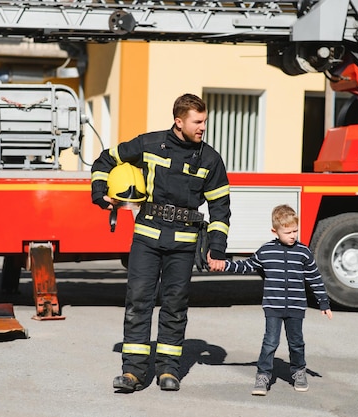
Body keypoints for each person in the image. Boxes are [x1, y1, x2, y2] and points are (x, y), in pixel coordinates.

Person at [91, 93, 231, 392]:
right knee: (138, 303)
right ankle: (133, 372)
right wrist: (99, 190)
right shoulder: (150, 144)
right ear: (179, 122)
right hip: (146, 239)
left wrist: (216, 247)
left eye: (204, 121)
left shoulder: (210, 158)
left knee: (175, 306)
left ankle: (169, 370)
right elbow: (106, 158)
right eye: (198, 121)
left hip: (184, 243)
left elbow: (220, 206)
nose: (203, 127)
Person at [209, 204, 332, 395]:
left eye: (295, 231)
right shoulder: (266, 251)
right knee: (270, 342)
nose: (293, 235)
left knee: (296, 342)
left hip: (296, 307)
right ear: (275, 231)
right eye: (288, 232)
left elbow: (314, 277)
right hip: (273, 306)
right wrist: (224, 265)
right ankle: (263, 375)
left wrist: (323, 302)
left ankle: (299, 371)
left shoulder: (303, 252)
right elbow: (247, 266)